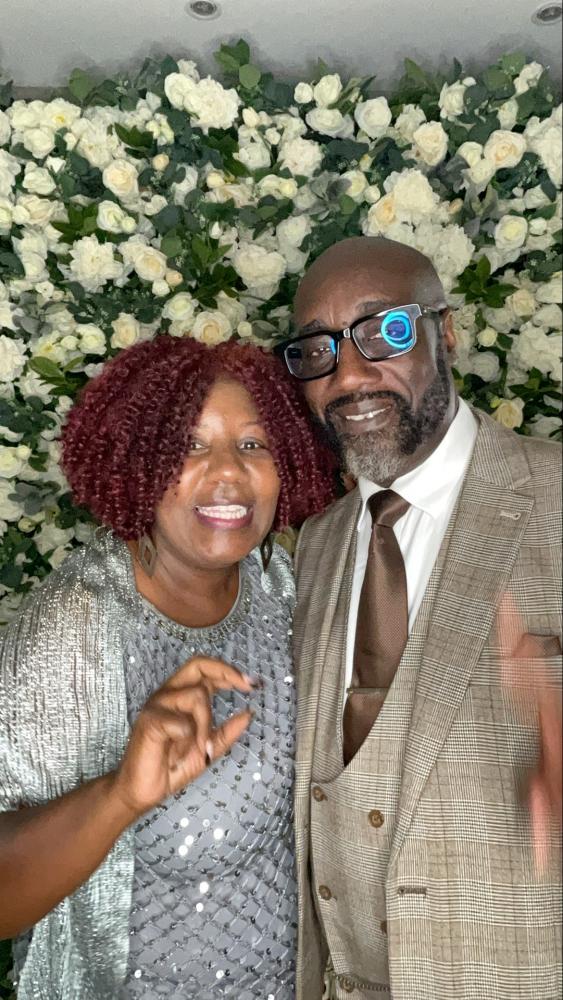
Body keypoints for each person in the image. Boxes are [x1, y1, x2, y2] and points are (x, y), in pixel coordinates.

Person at [0, 335, 336, 999]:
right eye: (188, 445)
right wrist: (120, 795)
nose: (228, 473)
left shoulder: (281, 585)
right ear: (136, 461)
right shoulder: (79, 623)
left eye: (254, 444)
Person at [276, 236, 562, 1000]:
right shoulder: (317, 543)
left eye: (386, 331)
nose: (348, 375)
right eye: (317, 350)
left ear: (447, 331)